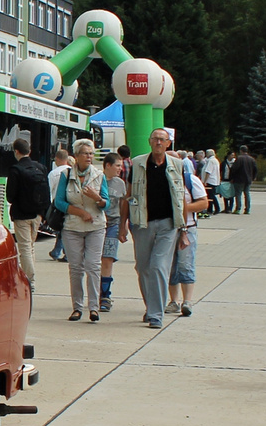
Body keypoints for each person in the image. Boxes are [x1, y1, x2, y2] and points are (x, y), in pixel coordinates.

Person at [127, 128, 186, 329]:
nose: (159, 143)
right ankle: (150, 306)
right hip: (142, 223)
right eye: (155, 139)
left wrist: (184, 230)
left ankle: (155, 314)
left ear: (168, 144)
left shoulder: (177, 165)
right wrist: (121, 225)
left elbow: (181, 200)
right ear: (150, 142)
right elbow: (128, 195)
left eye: (162, 140)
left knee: (159, 266)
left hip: (168, 225)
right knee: (143, 267)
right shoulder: (137, 163)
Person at [56, 138, 108, 322]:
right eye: (85, 153)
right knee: (76, 268)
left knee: (93, 266)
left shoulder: (99, 175)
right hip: (73, 227)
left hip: (96, 226)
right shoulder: (66, 175)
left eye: (91, 153)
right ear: (76, 156)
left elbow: (106, 203)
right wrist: (79, 212)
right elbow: (59, 202)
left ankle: (94, 308)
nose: (89, 156)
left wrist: (97, 198)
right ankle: (77, 307)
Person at [5, 136, 49, 287]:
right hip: (37, 214)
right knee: (30, 246)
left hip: (21, 214)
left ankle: (29, 280)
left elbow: (10, 196)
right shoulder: (41, 167)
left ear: (16, 152)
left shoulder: (15, 170)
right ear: (29, 151)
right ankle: (30, 275)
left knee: (24, 247)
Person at [168, 163, 210, 316]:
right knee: (169, 265)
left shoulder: (191, 180)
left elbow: (203, 203)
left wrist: (182, 208)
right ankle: (173, 301)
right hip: (167, 228)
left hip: (188, 227)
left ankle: (187, 301)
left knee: (185, 264)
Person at [99, 153, 128, 312]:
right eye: (117, 165)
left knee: (108, 259)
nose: (120, 169)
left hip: (113, 224)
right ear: (108, 165)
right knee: (94, 260)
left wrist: (124, 225)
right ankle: (94, 292)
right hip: (97, 224)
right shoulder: (97, 180)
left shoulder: (120, 184)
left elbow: (123, 205)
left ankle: (105, 295)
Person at [47, 145, 71, 262]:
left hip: (57, 205)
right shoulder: (72, 171)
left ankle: (62, 252)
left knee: (61, 229)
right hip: (70, 204)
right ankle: (57, 251)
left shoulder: (53, 173)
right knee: (64, 229)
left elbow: (49, 191)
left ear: (57, 159)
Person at [230, 145, 258, 214]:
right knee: (247, 194)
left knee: (238, 194)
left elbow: (234, 169)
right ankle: (247, 209)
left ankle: (238, 209)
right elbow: (255, 169)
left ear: (241, 150)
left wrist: (231, 177)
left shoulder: (239, 158)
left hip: (239, 179)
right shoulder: (252, 159)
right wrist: (253, 177)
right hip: (248, 179)